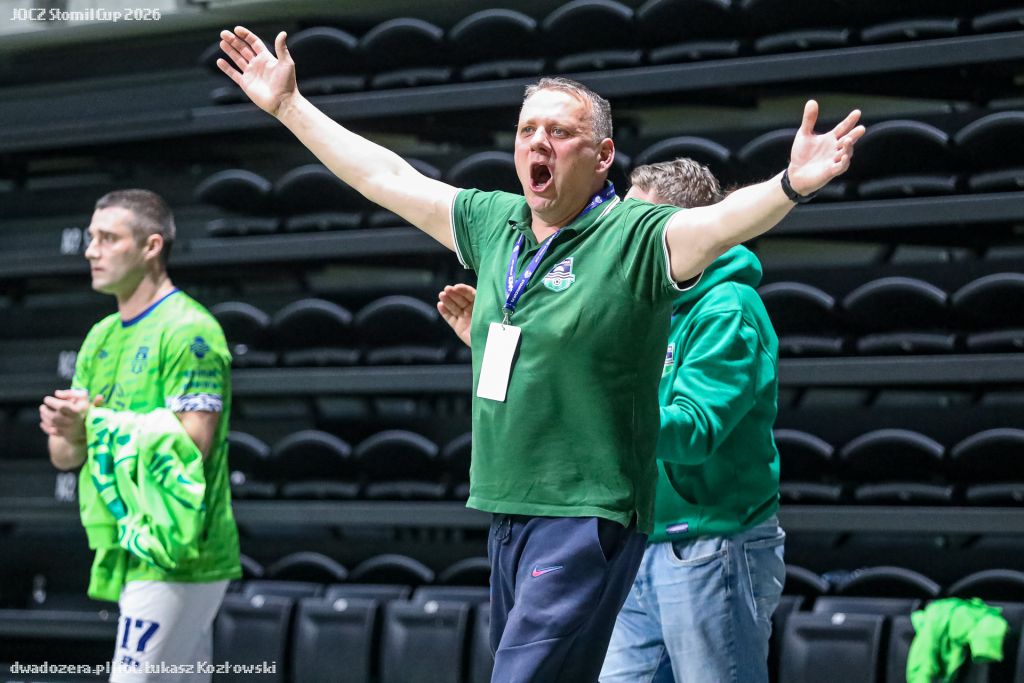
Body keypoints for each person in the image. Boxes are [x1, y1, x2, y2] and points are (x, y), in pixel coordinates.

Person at [218, 26, 862, 681]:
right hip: (508, 509)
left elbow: (719, 224)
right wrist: (290, 106)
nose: (537, 142)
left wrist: (790, 184)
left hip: (591, 515)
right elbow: (385, 177)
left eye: (559, 131)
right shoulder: (495, 224)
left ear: (603, 156)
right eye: (527, 129)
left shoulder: (633, 237)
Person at [438, 158, 784, 683]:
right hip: (630, 534)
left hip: (709, 541)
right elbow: (571, 373)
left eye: (636, 221)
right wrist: (492, 344)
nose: (618, 232)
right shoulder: (630, 300)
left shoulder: (727, 308)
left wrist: (596, 403)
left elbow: (695, 432)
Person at [39, 190, 240, 683]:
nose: (92, 250)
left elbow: (193, 444)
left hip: (181, 553)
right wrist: (73, 431)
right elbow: (65, 455)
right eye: (92, 238)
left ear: (151, 246)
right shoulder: (101, 337)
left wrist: (96, 424)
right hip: (129, 546)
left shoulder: (190, 331)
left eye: (109, 238)